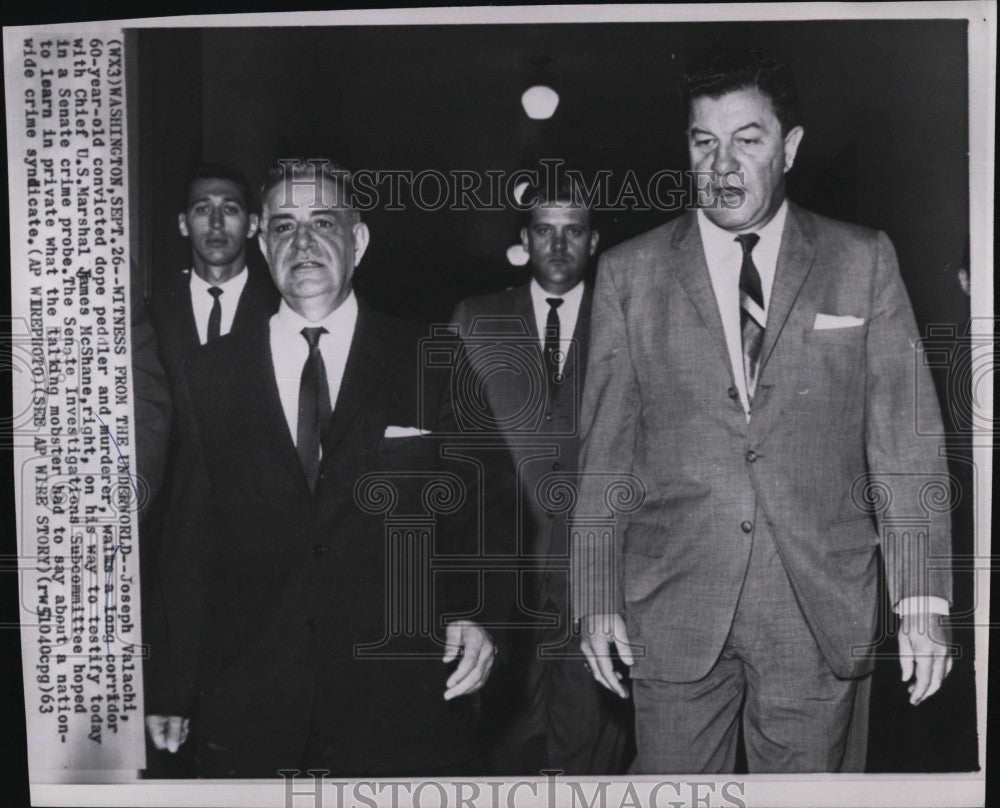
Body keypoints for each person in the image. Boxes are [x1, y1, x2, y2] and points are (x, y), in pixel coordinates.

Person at [574, 48, 954, 773]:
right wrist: (595, 592)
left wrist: (922, 599)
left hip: (815, 604)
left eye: (748, 139)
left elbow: (906, 444)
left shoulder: (862, 259)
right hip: (673, 603)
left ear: (791, 148)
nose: (723, 164)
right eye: (703, 141)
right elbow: (605, 452)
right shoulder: (630, 273)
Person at [144, 159, 497, 777]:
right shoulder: (209, 375)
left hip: (399, 700)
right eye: (283, 225)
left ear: (357, 240)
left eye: (322, 222)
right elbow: (189, 540)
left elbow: (480, 501)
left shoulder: (430, 357)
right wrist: (172, 684)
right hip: (253, 703)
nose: (302, 243)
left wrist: (474, 612)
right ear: (261, 242)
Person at [452, 178, 631, 774]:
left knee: (593, 750)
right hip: (507, 582)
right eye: (544, 230)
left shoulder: (626, 318)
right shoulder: (475, 320)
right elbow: (456, 458)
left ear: (595, 240)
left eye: (573, 230)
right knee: (502, 752)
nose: (558, 245)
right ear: (523, 240)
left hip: (600, 581)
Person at [149, 162, 279, 374]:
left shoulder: (278, 306)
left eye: (230, 209)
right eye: (203, 209)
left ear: (252, 225)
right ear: (183, 224)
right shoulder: (154, 314)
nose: (216, 222)